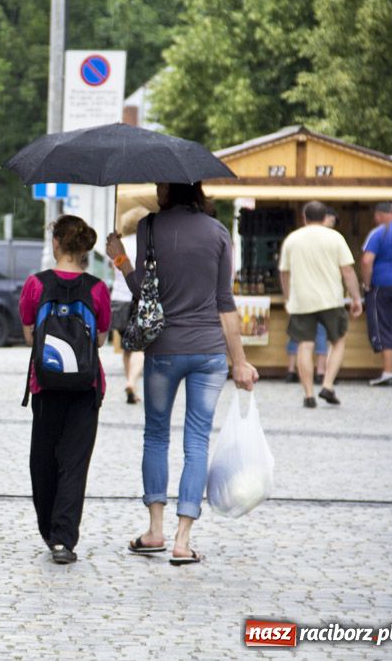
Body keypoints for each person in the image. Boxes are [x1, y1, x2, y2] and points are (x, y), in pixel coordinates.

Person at [106, 182, 258, 566]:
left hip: (164, 350)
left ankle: (154, 530)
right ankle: (183, 539)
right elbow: (226, 302)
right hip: (209, 353)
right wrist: (238, 360)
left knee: (156, 435)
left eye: (160, 184)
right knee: (196, 442)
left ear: (172, 189)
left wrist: (121, 259)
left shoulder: (149, 227)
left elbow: (143, 292)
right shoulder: (218, 232)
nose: (157, 190)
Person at [20, 215, 110, 565]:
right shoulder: (97, 288)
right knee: (75, 463)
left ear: (56, 242)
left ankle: (48, 528)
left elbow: (29, 335)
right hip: (85, 387)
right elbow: (100, 338)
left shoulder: (36, 285)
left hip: (45, 385)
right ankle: (63, 539)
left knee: (42, 460)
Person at [279, 201, 363, 407]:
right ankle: (327, 384)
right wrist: (356, 297)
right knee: (338, 341)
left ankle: (308, 394)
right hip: (331, 299)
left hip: (302, 301)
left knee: (305, 345)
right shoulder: (335, 238)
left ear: (304, 218)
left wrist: (289, 297)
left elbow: (284, 272)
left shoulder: (293, 239)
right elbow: (348, 271)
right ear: (325, 217)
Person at [361, 201, 392, 386]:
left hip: (384, 285)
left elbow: (367, 260)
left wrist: (367, 284)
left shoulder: (379, 232)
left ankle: (387, 372)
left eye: (376, 216)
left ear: (382, 215)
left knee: (385, 327)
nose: (375, 219)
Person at [110, 212, 144, 403]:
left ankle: (130, 383)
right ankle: (131, 382)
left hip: (119, 299)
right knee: (141, 347)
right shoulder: (145, 245)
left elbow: (112, 268)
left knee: (127, 347)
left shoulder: (119, 247)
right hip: (137, 299)